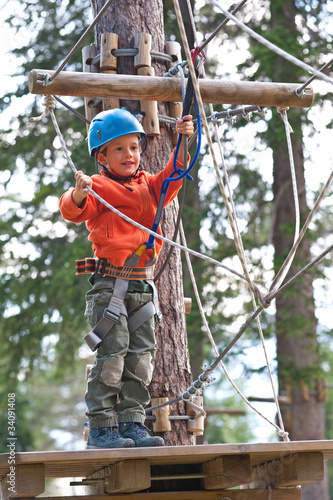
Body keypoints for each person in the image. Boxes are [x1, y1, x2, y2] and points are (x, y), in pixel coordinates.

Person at [59, 108, 194, 448]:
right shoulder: (99, 187)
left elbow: (175, 174)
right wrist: (79, 192)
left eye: (134, 147)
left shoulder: (150, 186)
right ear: (101, 156)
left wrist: (182, 139)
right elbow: (72, 210)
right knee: (112, 353)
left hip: (143, 286)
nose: (129, 155)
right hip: (111, 285)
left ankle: (132, 423)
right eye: (119, 149)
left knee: (141, 356)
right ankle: (103, 427)